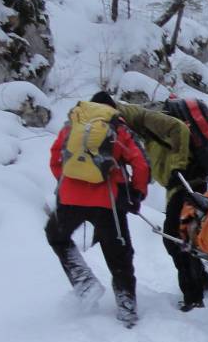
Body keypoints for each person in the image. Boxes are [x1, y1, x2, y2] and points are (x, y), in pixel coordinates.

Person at [47, 91, 149, 328]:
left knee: (56, 236)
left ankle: (84, 281)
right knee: (119, 255)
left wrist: (68, 184)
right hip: (108, 202)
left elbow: (55, 159)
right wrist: (136, 193)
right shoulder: (118, 129)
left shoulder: (73, 125)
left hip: (70, 200)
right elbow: (141, 164)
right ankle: (126, 307)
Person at [115, 97, 208, 311]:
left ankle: (193, 297)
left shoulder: (146, 119)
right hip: (186, 183)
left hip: (185, 184)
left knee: (174, 238)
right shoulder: (142, 126)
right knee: (184, 236)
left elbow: (179, 129)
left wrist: (177, 167)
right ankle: (203, 283)